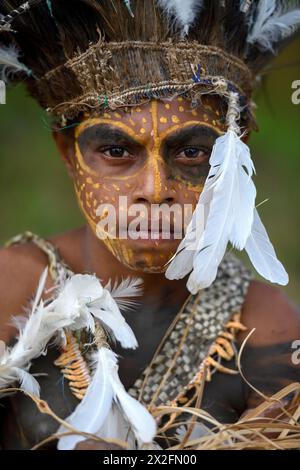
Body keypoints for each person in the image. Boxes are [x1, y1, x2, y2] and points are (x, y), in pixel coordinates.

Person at [0, 0, 299, 450]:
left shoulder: (269, 329)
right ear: (68, 152)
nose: (155, 190)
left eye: (192, 151)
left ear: (234, 156)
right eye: (118, 152)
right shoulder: (14, 285)